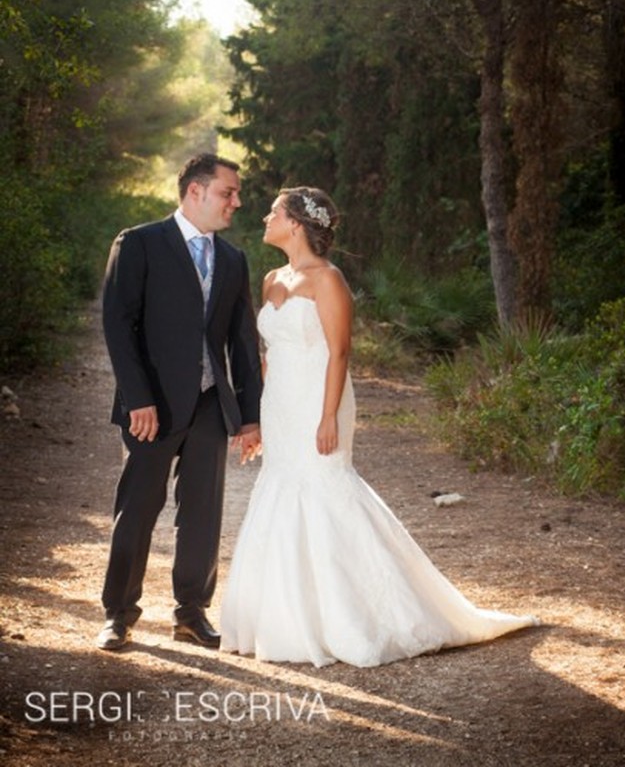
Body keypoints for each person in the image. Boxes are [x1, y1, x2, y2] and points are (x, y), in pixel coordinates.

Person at [219, 187, 537, 667]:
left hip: (318, 400)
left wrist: (328, 415)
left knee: (325, 486)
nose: (266, 217)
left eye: (274, 212)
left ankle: (360, 616)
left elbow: (340, 352)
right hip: (280, 403)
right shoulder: (270, 279)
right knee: (280, 487)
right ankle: (287, 619)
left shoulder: (329, 279)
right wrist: (258, 415)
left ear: (297, 224)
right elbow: (269, 355)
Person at [97, 153, 263, 652]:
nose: (236, 202)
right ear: (196, 191)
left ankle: (191, 613)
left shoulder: (233, 260)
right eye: (228, 192)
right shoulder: (139, 243)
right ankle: (118, 614)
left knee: (203, 514)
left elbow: (242, 343)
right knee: (137, 509)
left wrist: (249, 416)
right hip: (152, 407)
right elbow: (118, 325)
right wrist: (138, 399)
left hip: (211, 404)